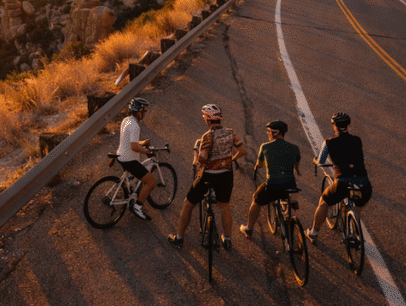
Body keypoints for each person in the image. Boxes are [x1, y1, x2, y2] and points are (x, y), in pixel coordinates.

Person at [167, 103, 246, 250]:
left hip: (208, 176)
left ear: (207, 119)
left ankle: (179, 238)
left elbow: (202, 160)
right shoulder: (231, 133)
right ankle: (227, 239)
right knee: (224, 207)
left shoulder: (208, 136)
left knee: (188, 204)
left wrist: (196, 156)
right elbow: (242, 151)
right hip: (226, 176)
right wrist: (230, 160)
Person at [307, 111, 372, 240]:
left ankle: (313, 233)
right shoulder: (357, 140)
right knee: (358, 207)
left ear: (334, 127)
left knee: (324, 202)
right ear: (348, 126)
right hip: (364, 183)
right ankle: (355, 231)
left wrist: (316, 161)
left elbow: (321, 160)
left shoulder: (329, 142)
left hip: (342, 183)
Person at [239, 120, 301, 238]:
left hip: (272, 185)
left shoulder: (265, 147)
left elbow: (260, 165)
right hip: (290, 184)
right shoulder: (295, 148)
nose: (268, 134)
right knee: (293, 200)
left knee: (256, 199)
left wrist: (258, 166)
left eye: (269, 132)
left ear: (274, 133)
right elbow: (296, 165)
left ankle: (249, 229)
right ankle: (296, 221)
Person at [117, 97, 156, 221]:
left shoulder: (126, 120)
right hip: (129, 160)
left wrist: (142, 143)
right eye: (145, 111)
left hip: (120, 156)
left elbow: (129, 142)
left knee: (133, 178)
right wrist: (147, 151)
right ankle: (137, 206)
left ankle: (129, 195)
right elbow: (134, 147)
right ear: (140, 112)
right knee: (151, 183)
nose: (145, 114)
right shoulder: (135, 126)